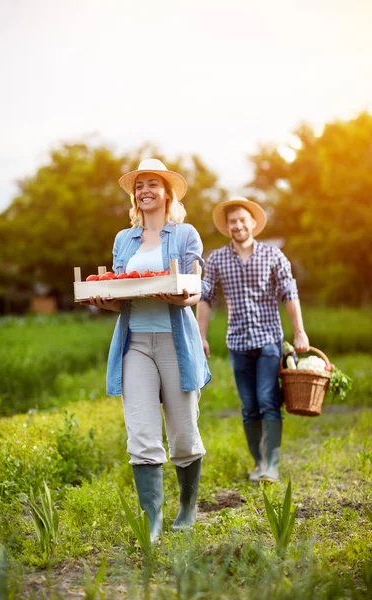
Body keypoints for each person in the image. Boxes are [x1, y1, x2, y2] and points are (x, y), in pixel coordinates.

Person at [83, 158, 211, 542]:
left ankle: (187, 508)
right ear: (135, 197)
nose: (145, 191)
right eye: (139, 186)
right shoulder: (125, 239)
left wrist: (181, 297)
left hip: (176, 343)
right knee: (141, 433)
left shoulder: (186, 233)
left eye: (153, 183)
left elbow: (195, 288)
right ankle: (152, 519)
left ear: (167, 192)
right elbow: (122, 290)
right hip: (135, 342)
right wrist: (103, 301)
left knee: (184, 434)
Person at [197, 198, 309, 483]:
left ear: (253, 223)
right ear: (227, 227)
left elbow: (289, 293)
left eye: (242, 220)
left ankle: (271, 465)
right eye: (232, 221)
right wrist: (201, 337)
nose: (237, 225)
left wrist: (299, 332)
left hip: (269, 339)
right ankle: (259, 463)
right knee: (248, 406)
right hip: (238, 342)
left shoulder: (273, 255)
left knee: (267, 400)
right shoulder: (217, 259)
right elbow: (206, 299)